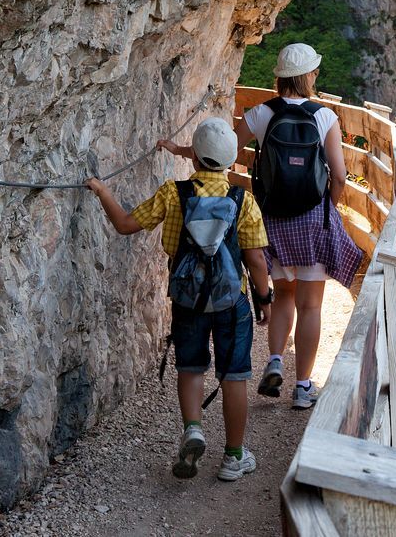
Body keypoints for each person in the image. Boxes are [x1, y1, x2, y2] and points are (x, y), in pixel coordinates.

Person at [160, 43, 362, 410]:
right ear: (309, 76)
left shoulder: (261, 114)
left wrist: (180, 151)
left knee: (284, 293)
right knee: (311, 306)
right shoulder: (324, 117)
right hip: (312, 221)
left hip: (273, 220)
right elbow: (341, 177)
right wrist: (326, 212)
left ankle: (274, 362)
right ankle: (303, 387)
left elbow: (221, 155)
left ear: (280, 77)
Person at [86, 117, 274, 481]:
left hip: (187, 298)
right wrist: (264, 298)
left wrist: (101, 191)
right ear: (231, 160)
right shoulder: (243, 201)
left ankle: (193, 429)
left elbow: (125, 224)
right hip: (230, 302)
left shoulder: (174, 194)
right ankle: (234, 457)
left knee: (190, 368)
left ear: (195, 159)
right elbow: (255, 260)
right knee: (234, 376)